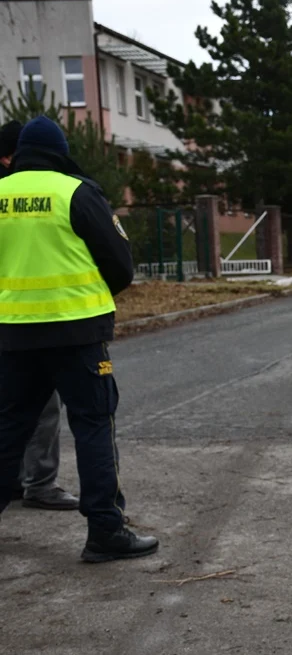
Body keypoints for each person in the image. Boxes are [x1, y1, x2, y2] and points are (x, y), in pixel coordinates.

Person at [0, 116, 158, 562]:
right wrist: (87, 294)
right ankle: (105, 531)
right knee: (92, 425)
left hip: (12, 335)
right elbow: (120, 264)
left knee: (9, 428)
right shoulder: (75, 192)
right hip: (76, 333)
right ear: (60, 150)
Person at [1, 120, 79, 511]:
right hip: (38, 320)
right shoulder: (52, 191)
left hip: (11, 319)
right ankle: (39, 483)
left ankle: (16, 480)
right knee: (42, 408)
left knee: (11, 410)